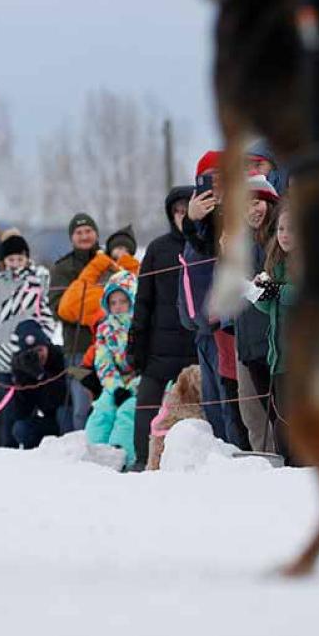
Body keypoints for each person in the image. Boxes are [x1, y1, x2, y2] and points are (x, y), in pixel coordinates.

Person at [177, 151, 246, 448]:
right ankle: (221, 458)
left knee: (232, 400)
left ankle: (239, 455)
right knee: (213, 401)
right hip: (201, 326)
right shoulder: (196, 222)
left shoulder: (237, 214)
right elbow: (197, 252)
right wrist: (191, 221)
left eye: (222, 179)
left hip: (228, 324)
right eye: (210, 180)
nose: (216, 188)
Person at [128, 186, 197, 468]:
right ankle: (143, 459)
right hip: (159, 348)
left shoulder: (206, 245)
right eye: (177, 211)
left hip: (194, 347)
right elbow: (142, 301)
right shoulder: (157, 249)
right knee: (146, 404)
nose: (182, 216)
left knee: (199, 407)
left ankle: (198, 458)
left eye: (186, 210)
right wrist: (136, 346)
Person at [0, 234, 53, 447]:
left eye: (19, 259)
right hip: (1, 351)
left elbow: (44, 308)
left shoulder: (38, 277)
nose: (15, 264)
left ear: (26, 258)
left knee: (31, 401)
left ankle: (31, 444)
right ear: (3, 260)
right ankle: (7, 447)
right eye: (11, 260)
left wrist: (45, 337)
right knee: (8, 405)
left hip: (30, 351)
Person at [57, 224, 141, 400]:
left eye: (126, 249)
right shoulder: (100, 279)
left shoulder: (136, 275)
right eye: (117, 248)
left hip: (130, 366)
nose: (121, 252)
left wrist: (126, 264)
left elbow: (138, 289)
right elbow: (67, 307)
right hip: (91, 355)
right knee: (83, 406)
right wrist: (97, 266)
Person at [233, 173, 280, 452]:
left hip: (277, 340)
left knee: (281, 415)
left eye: (258, 202)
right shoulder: (233, 242)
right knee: (252, 414)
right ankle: (264, 470)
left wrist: (260, 290)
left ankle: (292, 468)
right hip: (247, 343)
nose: (253, 209)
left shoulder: (281, 237)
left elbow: (288, 288)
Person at [253, 202, 297, 462]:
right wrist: (260, 292)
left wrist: (279, 291)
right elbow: (269, 308)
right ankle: (290, 468)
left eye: (292, 229)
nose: (284, 234)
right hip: (279, 359)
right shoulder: (276, 263)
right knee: (282, 424)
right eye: (281, 228)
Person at [50, 213, 101, 432]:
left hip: (108, 348)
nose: (84, 236)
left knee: (105, 405)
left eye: (88, 231)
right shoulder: (63, 268)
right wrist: (92, 311)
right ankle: (79, 453)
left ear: (96, 234)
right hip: (76, 349)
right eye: (79, 233)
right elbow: (56, 307)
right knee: (81, 405)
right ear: (72, 238)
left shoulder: (106, 264)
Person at [86, 270, 139, 467]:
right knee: (103, 408)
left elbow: (149, 363)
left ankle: (122, 456)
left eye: (123, 301)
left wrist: (132, 386)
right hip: (116, 382)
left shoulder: (141, 326)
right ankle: (94, 453)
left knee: (127, 411)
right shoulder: (105, 329)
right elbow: (103, 361)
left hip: (140, 383)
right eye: (113, 302)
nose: (118, 307)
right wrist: (115, 387)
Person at [10, 319, 65, 449]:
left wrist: (42, 376)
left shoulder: (61, 357)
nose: (38, 356)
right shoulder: (23, 367)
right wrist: (21, 381)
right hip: (47, 421)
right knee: (20, 428)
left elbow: (60, 398)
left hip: (65, 415)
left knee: (64, 413)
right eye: (32, 352)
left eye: (40, 350)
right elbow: (21, 413)